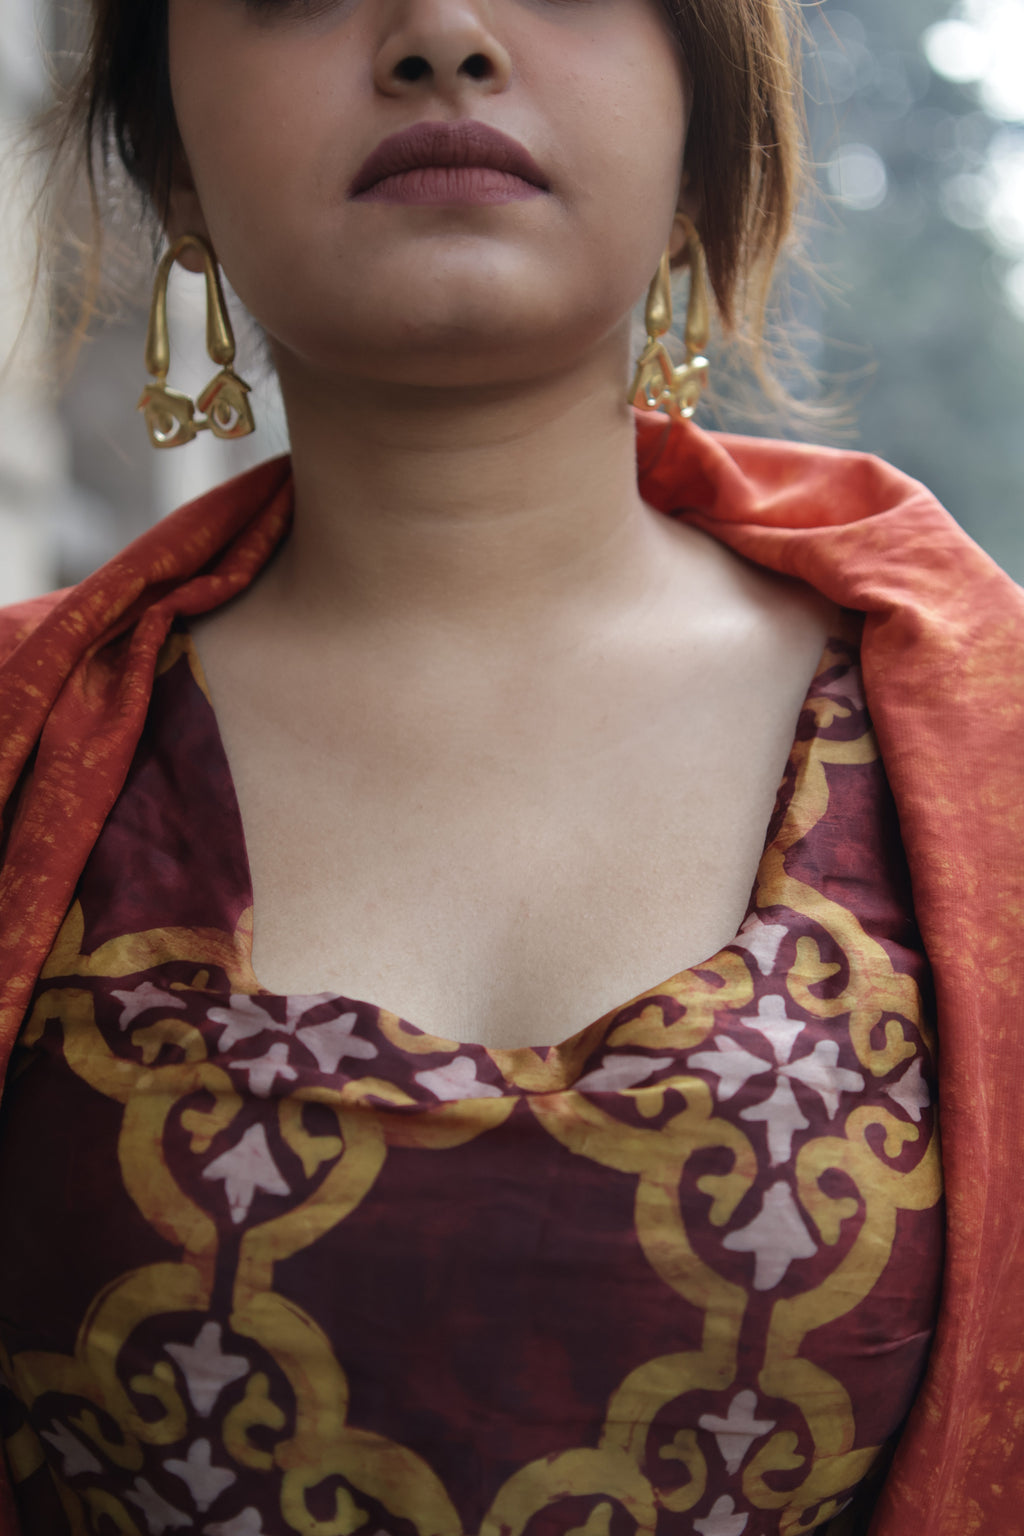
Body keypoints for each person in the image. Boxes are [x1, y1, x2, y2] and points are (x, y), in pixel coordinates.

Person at [0, 1, 1021, 1532]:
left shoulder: (982, 753)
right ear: (167, 155)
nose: (443, 31)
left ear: (706, 117)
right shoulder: (30, 756)